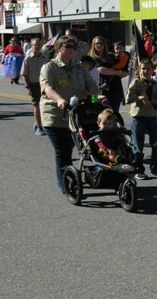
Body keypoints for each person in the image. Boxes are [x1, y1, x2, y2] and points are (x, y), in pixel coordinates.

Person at [40, 35, 99, 191]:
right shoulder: (50, 67)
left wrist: (95, 97)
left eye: (74, 46)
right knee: (63, 150)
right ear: (60, 49)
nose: (73, 49)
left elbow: (92, 85)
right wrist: (59, 100)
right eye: (69, 47)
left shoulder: (79, 67)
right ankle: (65, 184)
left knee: (77, 148)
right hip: (55, 116)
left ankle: (73, 175)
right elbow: (47, 88)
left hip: (76, 115)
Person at [125, 59, 157, 180]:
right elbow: (127, 99)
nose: (146, 71)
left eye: (148, 68)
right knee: (138, 145)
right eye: (143, 68)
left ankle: (156, 168)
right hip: (139, 117)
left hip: (153, 117)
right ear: (139, 70)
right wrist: (139, 97)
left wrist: (153, 101)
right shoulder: (135, 83)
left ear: (152, 70)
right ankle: (138, 169)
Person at [89, 36, 128, 118]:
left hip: (115, 89)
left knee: (114, 112)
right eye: (97, 44)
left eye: (101, 43)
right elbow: (100, 70)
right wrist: (117, 72)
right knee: (98, 112)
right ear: (93, 45)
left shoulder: (111, 56)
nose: (99, 45)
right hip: (97, 90)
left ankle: (114, 129)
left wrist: (120, 72)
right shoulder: (91, 58)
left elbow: (125, 72)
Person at [87, 108, 135, 173]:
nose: (107, 126)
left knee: (123, 146)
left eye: (109, 124)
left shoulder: (114, 131)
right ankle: (117, 165)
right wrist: (107, 149)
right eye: (104, 124)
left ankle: (126, 161)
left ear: (113, 124)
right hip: (104, 152)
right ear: (99, 124)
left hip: (115, 150)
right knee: (104, 152)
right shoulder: (98, 134)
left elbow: (120, 140)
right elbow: (99, 143)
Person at [21, 38, 47, 136]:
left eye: (39, 44)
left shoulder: (43, 57)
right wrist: (28, 87)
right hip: (33, 84)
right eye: (35, 44)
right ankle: (39, 127)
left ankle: (38, 123)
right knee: (36, 105)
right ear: (31, 46)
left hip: (43, 84)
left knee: (44, 105)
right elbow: (24, 74)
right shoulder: (27, 59)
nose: (38, 46)